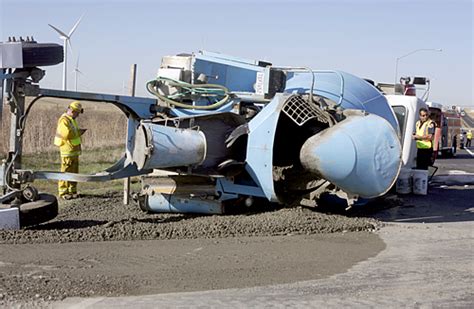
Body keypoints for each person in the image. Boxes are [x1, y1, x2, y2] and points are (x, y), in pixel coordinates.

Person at [54, 101, 86, 200]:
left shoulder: (72, 120)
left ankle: (72, 190)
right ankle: (63, 192)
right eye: (77, 113)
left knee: (74, 171)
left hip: (74, 150)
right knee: (65, 171)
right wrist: (78, 132)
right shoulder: (64, 120)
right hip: (67, 150)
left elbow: (72, 132)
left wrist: (78, 132)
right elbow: (66, 134)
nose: (77, 115)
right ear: (71, 111)